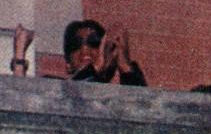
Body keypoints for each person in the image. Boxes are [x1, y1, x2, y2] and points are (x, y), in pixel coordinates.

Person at [9, 19, 146, 84]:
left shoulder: (117, 104)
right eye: (75, 45)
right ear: (68, 65)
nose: (85, 50)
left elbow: (145, 111)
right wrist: (19, 57)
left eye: (94, 43)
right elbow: (19, 103)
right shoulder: (52, 87)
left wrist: (125, 65)